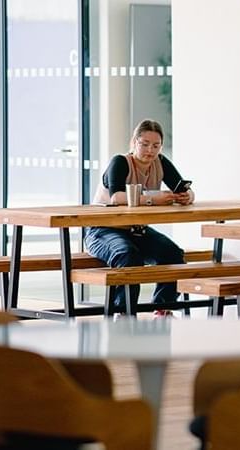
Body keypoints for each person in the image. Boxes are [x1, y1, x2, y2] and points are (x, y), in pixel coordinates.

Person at [85, 119, 195, 317]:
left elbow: (184, 188)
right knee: (128, 255)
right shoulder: (120, 162)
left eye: (156, 145)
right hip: (102, 231)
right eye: (145, 144)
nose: (150, 150)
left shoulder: (160, 162)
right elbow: (116, 197)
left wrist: (188, 196)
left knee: (173, 255)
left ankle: (162, 309)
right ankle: (124, 313)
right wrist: (153, 199)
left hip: (137, 231)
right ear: (134, 142)